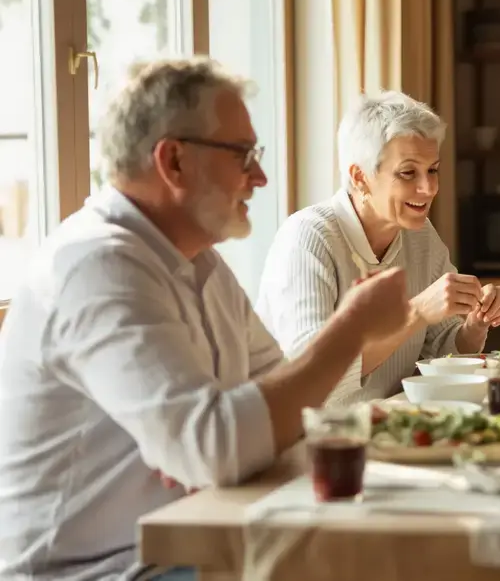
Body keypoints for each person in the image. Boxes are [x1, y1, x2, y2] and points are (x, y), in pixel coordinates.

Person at [0, 58, 412, 581]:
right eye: (242, 155)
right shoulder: (98, 266)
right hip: (105, 572)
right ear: (173, 161)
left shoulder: (199, 264)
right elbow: (218, 448)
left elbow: (286, 405)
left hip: (191, 544)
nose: (259, 177)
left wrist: (243, 436)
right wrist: (351, 327)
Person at [255, 91, 500, 405]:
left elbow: (440, 353)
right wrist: (417, 312)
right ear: (360, 177)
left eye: (432, 170)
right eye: (408, 173)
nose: (429, 188)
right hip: (314, 431)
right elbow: (311, 378)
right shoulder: (307, 238)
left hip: (390, 424)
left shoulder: (421, 236)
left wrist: (475, 324)